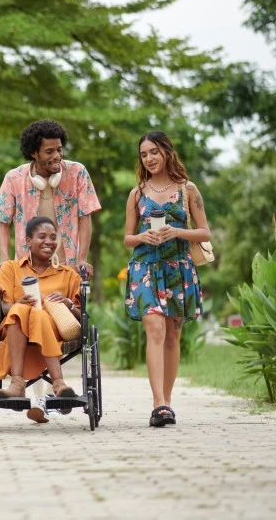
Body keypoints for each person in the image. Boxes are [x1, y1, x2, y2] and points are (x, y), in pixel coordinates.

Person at [0, 119, 101, 423]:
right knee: (28, 311)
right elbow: (2, 223)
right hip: (28, 265)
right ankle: (45, 395)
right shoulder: (14, 179)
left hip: (63, 265)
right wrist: (3, 258)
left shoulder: (76, 173)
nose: (56, 156)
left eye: (59, 150)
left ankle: (34, 392)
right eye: (49, 151)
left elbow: (85, 217)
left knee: (37, 313)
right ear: (34, 154)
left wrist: (81, 257)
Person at [123, 131, 210, 427]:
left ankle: (168, 403)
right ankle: (157, 403)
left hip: (178, 268)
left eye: (154, 152)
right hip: (145, 266)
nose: (149, 159)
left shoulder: (188, 189)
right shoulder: (137, 193)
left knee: (173, 335)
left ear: (167, 153)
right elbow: (127, 238)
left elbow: (205, 233)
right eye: (144, 154)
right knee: (155, 328)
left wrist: (177, 232)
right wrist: (141, 236)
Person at [0, 217, 81, 417]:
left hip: (54, 330)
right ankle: (56, 382)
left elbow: (80, 314)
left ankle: (18, 383)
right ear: (28, 241)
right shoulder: (11, 269)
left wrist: (66, 303)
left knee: (39, 315)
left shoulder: (68, 274)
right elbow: (4, 306)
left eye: (53, 237)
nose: (49, 242)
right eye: (42, 236)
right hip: (16, 330)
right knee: (19, 310)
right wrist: (19, 304)